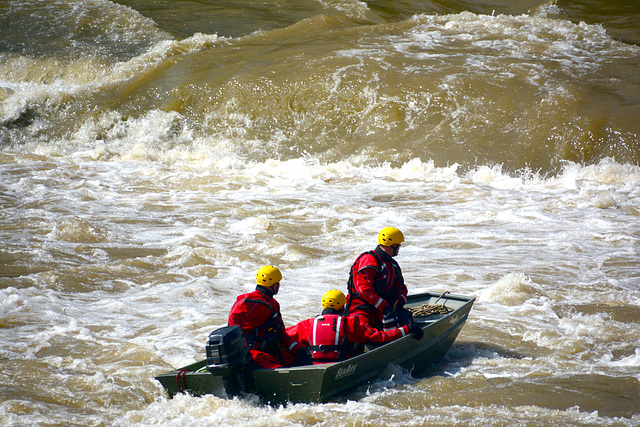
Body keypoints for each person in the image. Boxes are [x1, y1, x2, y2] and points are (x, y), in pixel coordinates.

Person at [286, 290, 423, 364]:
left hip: (313, 367)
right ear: (342, 306)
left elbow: (285, 337)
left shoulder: (307, 324)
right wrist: (406, 329)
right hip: (341, 366)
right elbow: (380, 338)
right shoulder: (349, 322)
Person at [228, 265, 309, 369]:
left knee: (298, 359)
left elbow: (281, 335)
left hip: (267, 351)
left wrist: (297, 350)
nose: (278, 285)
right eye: (277, 283)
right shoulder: (252, 302)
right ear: (273, 285)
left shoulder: (269, 303)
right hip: (253, 354)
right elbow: (233, 323)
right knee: (283, 369)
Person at [345, 227, 411, 330]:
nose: (399, 247)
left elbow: (401, 287)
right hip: (361, 309)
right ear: (392, 245)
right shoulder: (369, 260)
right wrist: (384, 306)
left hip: (380, 310)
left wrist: (400, 300)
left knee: (407, 320)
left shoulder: (393, 265)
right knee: (362, 336)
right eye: (398, 245)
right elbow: (364, 290)